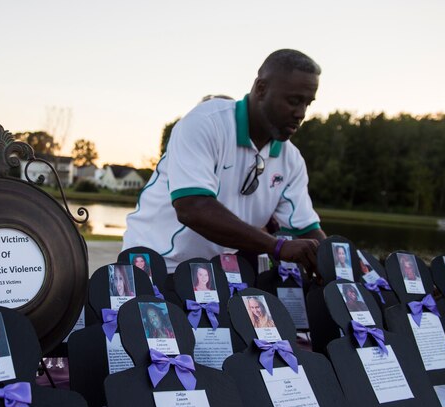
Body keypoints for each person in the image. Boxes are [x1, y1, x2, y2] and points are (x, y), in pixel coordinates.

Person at [123, 49, 326, 274]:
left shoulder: (292, 159)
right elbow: (193, 208)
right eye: (294, 101)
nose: (301, 113)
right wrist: (277, 246)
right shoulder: (205, 122)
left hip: (215, 273)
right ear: (261, 89)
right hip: (157, 262)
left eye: (308, 103)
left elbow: (305, 229)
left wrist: (340, 266)